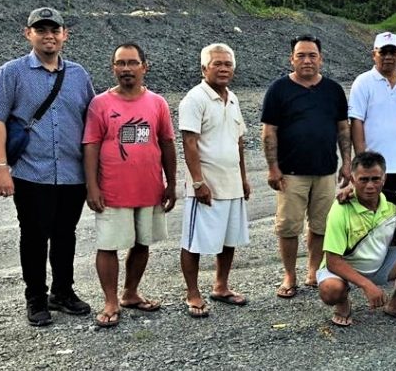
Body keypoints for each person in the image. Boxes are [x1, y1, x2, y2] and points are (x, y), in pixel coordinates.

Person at [0, 7, 96, 326]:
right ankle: (35, 299)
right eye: (41, 30)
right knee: (33, 236)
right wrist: (0, 166)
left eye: (54, 30)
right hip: (31, 173)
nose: (49, 36)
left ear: (64, 35)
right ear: (28, 33)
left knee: (65, 235)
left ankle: (62, 292)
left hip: (72, 174)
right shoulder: (12, 72)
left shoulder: (79, 75)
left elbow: (93, 120)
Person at [84, 43, 177, 328]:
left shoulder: (157, 103)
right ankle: (110, 301)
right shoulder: (100, 103)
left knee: (142, 242)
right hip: (112, 190)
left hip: (149, 188)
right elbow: (91, 145)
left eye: (132, 62)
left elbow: (167, 143)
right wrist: (92, 187)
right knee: (108, 245)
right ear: (113, 68)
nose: (126, 69)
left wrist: (171, 182)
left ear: (144, 67)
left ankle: (131, 292)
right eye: (121, 63)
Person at [261, 35, 352, 299]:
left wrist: (347, 163)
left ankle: (313, 271)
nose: (307, 60)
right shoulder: (278, 89)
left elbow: (343, 129)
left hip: (325, 171)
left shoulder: (333, 90)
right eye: (301, 55)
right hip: (290, 173)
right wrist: (272, 168)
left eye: (312, 55)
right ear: (292, 59)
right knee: (289, 227)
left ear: (321, 59)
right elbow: (269, 132)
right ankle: (289, 275)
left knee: (321, 226)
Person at [178, 43, 251, 319]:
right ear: (203, 68)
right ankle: (193, 293)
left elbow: (239, 141)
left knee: (228, 239)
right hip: (206, 186)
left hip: (231, 184)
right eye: (217, 63)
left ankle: (221, 286)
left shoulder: (233, 98)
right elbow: (189, 142)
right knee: (194, 241)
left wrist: (243, 178)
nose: (223, 68)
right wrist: (198, 183)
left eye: (227, 64)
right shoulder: (194, 99)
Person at [317, 152, 396, 327]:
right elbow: (333, 261)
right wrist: (366, 285)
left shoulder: (393, 200)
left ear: (384, 179)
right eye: (363, 179)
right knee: (331, 290)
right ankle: (343, 302)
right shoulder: (340, 209)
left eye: (375, 179)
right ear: (353, 180)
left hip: (380, 264)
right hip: (345, 268)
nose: (370, 186)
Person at [349, 32, 396, 193]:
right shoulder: (363, 82)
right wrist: (361, 160)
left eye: (393, 52)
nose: (388, 57)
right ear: (374, 54)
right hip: (374, 169)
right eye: (383, 52)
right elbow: (356, 122)